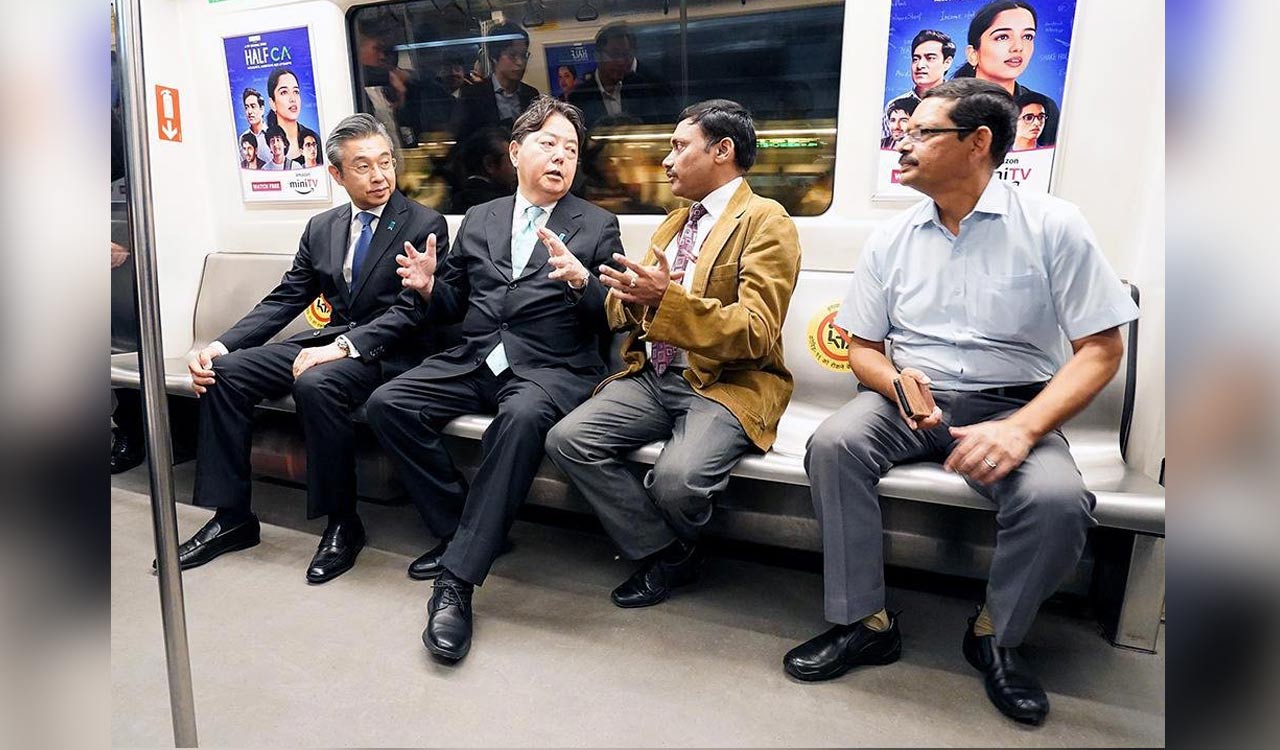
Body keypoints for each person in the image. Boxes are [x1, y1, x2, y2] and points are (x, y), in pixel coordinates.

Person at [783, 79, 1138, 726]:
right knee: (834, 444)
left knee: (1060, 501)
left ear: (978, 144)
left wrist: (1023, 429)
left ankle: (995, 634)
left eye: (922, 133)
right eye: (904, 131)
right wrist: (894, 382)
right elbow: (862, 346)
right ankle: (864, 619)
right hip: (908, 400)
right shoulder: (892, 239)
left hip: (1013, 404)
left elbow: (1101, 350)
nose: (904, 142)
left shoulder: (1053, 226)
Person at [364, 97, 623, 662]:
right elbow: (456, 301)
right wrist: (432, 287)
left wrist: (584, 284)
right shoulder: (481, 217)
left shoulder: (598, 224)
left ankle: (457, 580)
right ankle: (467, 528)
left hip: (551, 367)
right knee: (389, 402)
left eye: (572, 150)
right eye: (548, 144)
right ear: (515, 151)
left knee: (521, 418)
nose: (561, 157)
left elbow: (613, 315)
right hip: (478, 355)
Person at [166, 114, 450, 583]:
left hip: (389, 352)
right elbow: (286, 297)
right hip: (327, 342)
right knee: (227, 372)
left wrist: (343, 345)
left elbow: (408, 313)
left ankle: (342, 522)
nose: (380, 175)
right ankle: (232, 517)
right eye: (363, 166)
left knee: (316, 384)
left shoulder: (423, 222)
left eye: (385, 162)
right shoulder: (323, 226)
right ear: (337, 174)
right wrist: (220, 345)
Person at [546, 99, 801, 609]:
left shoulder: (766, 222)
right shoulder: (675, 222)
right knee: (568, 439)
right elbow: (634, 306)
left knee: (677, 481)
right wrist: (619, 294)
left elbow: (756, 331)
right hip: (654, 373)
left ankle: (667, 544)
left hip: (728, 381)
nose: (666, 161)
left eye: (679, 147)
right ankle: (668, 552)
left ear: (723, 151)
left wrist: (666, 301)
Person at [951, 0, 1060, 146]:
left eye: (1027, 36)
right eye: (1002, 37)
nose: (1018, 47)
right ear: (973, 54)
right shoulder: (945, 104)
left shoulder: (1044, 106)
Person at [568, 23, 676, 128]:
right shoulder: (579, 97)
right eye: (614, 55)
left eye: (625, 55)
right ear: (598, 56)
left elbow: (654, 127)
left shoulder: (640, 86)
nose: (621, 62)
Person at [451, 22, 540, 136]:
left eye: (524, 55)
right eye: (512, 55)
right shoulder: (473, 95)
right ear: (494, 57)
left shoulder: (531, 95)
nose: (520, 62)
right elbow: (464, 141)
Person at [882, 29, 955, 141]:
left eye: (930, 58)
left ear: (947, 62)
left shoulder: (957, 104)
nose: (920, 65)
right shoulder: (893, 106)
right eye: (915, 59)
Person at [448, 125, 517, 213]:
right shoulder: (498, 203)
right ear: (489, 164)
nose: (515, 166)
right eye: (510, 158)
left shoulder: (458, 197)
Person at [266, 66, 323, 164]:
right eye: (284, 92)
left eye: (296, 92)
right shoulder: (266, 142)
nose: (292, 98)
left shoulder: (312, 137)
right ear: (272, 103)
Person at [239, 87, 270, 161]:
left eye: (253, 106)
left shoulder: (273, 135)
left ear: (262, 109)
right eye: (246, 107)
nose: (249, 111)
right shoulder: (242, 138)